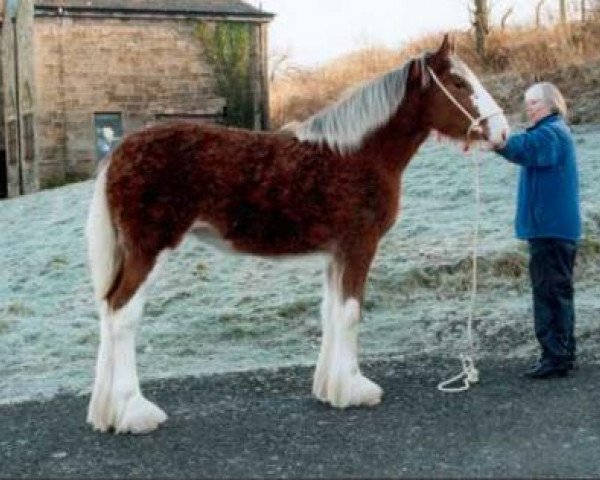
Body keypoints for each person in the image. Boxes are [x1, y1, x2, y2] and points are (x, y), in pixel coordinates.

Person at [493, 82, 581, 379]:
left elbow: (523, 148)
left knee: (550, 293)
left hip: (551, 231)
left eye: (532, 102)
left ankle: (555, 358)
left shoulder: (551, 133)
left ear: (547, 104)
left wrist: (497, 140)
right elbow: (525, 148)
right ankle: (560, 354)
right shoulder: (553, 132)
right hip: (553, 230)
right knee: (555, 292)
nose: (527, 107)